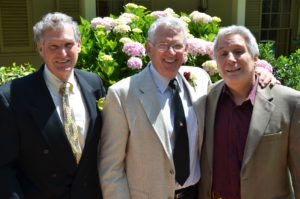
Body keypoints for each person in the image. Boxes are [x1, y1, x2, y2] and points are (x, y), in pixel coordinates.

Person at [98, 17, 275, 199]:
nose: (171, 52)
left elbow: (234, 81)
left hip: (195, 193)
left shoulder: (199, 79)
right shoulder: (122, 95)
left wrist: (257, 73)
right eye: (163, 45)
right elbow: (111, 167)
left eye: (177, 46)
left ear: (186, 50)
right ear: (148, 48)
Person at [0, 12, 105, 199]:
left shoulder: (94, 84)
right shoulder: (13, 96)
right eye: (53, 47)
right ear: (40, 49)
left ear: (79, 45)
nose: (62, 54)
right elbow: (4, 166)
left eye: (68, 45)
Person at [199, 25, 300, 199]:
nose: (230, 59)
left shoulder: (290, 103)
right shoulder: (206, 98)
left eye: (238, 51)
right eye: (223, 54)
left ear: (255, 58)